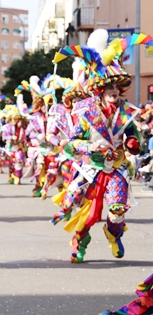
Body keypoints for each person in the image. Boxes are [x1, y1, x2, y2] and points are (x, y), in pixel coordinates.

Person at [51, 29, 149, 263]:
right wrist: (90, 147)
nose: (113, 91)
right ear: (100, 91)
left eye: (116, 87)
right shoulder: (87, 113)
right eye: (108, 87)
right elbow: (70, 144)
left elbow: (134, 138)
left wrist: (133, 144)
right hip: (91, 169)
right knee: (89, 215)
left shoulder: (126, 113)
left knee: (117, 211)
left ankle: (114, 235)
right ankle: (79, 242)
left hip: (116, 168)